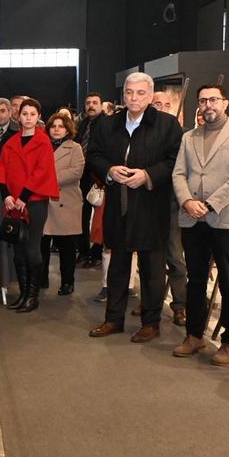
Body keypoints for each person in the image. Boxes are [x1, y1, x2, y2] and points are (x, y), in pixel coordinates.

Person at [86, 72, 182, 342]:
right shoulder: (108, 124)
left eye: (140, 93)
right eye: (129, 92)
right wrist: (109, 170)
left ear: (150, 96)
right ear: (123, 94)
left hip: (152, 206)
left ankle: (151, 323)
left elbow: (176, 161)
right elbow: (93, 155)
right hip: (118, 205)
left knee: (153, 268)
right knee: (117, 265)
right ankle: (113, 319)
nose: (134, 98)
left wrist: (148, 175)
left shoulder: (168, 125)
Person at [170, 84, 229, 366]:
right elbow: (179, 173)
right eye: (203, 100)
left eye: (213, 99)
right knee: (194, 280)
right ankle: (194, 335)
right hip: (191, 219)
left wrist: (210, 203)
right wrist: (187, 201)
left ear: (225, 103)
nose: (208, 105)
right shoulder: (188, 137)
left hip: (224, 218)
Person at [0, 98, 60, 313]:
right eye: (24, 114)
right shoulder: (11, 142)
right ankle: (23, 293)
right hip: (12, 203)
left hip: (33, 203)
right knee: (17, 249)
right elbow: (2, 169)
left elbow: (41, 172)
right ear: (19, 116)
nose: (28, 118)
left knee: (32, 248)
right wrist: (6, 194)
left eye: (32, 114)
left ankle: (32, 296)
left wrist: (23, 196)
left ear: (38, 117)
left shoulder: (43, 142)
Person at [148, 90, 188, 326]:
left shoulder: (180, 135)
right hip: (147, 202)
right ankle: (150, 301)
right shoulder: (141, 132)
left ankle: (180, 305)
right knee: (148, 258)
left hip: (172, 203)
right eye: (157, 104)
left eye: (166, 104)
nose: (161, 107)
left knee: (175, 257)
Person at [41, 112, 85, 297]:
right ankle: (41, 278)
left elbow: (75, 172)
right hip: (43, 202)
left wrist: (45, 180)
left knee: (67, 248)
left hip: (66, 202)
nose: (57, 129)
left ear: (68, 129)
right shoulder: (41, 146)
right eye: (53, 126)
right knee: (41, 246)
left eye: (61, 126)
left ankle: (68, 282)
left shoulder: (75, 148)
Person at [76, 92, 104, 267]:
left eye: (94, 103)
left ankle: (97, 252)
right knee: (82, 215)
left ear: (101, 105)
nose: (91, 106)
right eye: (88, 103)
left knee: (100, 218)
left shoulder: (108, 124)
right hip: (83, 175)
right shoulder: (82, 124)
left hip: (100, 176)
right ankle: (84, 251)